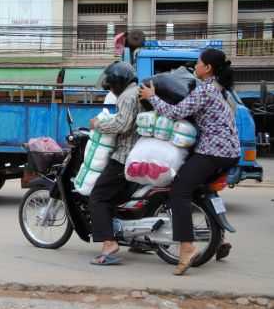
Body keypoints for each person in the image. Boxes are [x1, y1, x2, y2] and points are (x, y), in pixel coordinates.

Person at [139, 48, 240, 276]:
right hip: (230, 151)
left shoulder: (205, 90)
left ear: (208, 68)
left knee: (179, 191)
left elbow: (176, 112)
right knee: (200, 190)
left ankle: (187, 247)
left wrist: (151, 97)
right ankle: (218, 237)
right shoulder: (221, 89)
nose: (196, 65)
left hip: (213, 151)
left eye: (198, 62)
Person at [88, 61, 142, 266]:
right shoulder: (135, 93)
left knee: (98, 197)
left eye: (111, 85)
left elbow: (122, 124)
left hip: (124, 157)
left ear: (119, 81)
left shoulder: (128, 96)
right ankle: (136, 239)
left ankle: (109, 244)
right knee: (119, 198)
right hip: (135, 154)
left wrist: (98, 123)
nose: (110, 88)